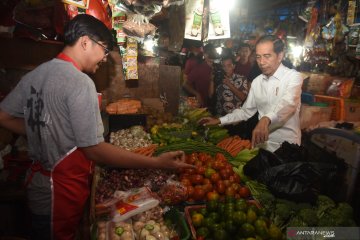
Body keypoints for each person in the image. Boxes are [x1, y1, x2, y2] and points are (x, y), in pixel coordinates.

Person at [0, 14, 192, 240]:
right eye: (103, 49)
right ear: (84, 42)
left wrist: (44, 130)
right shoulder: (80, 82)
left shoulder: (35, 74)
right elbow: (94, 150)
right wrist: (156, 162)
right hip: (61, 191)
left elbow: (4, 117)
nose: (104, 58)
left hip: (38, 184)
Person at [199, 35, 303, 152]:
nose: (261, 62)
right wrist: (219, 120)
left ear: (280, 56)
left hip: (287, 146)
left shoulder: (293, 77)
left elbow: (288, 104)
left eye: (267, 56)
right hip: (262, 144)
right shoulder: (257, 82)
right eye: (258, 57)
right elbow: (245, 111)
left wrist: (266, 119)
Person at [182, 44, 216, 108]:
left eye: (213, 53)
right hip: (204, 104)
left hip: (216, 105)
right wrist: (197, 94)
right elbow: (185, 84)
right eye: (210, 53)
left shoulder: (217, 67)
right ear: (205, 55)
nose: (212, 56)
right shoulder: (199, 68)